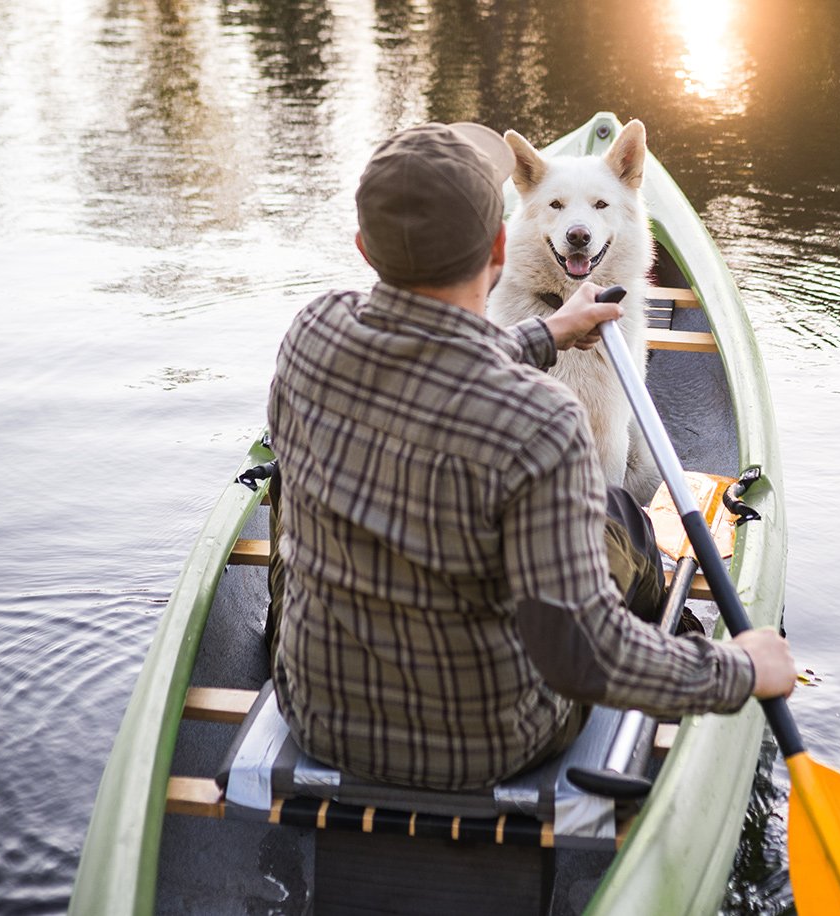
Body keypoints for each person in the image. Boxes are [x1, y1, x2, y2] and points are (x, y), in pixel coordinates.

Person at [266, 122, 796, 792]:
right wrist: (741, 669)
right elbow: (585, 655)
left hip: (318, 717)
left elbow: (436, 352)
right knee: (619, 520)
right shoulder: (542, 424)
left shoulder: (312, 332)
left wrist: (545, 334)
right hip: (491, 747)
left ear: (364, 250)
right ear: (497, 245)